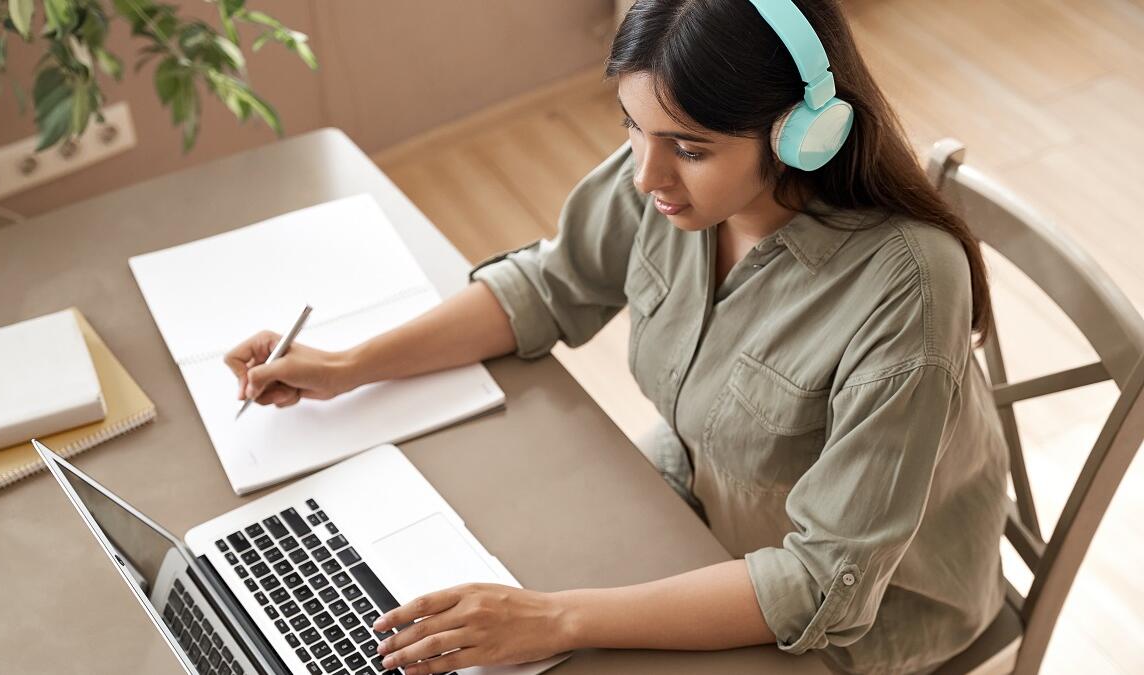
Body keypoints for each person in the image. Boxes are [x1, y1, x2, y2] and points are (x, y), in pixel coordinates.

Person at [224, 1, 1010, 673]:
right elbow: (550, 285)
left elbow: (821, 583)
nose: (646, 176)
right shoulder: (674, 176)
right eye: (633, 127)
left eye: (690, 149)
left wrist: (560, 617)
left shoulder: (906, 288)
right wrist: (349, 363)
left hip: (859, 622)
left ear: (804, 133)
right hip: (703, 505)